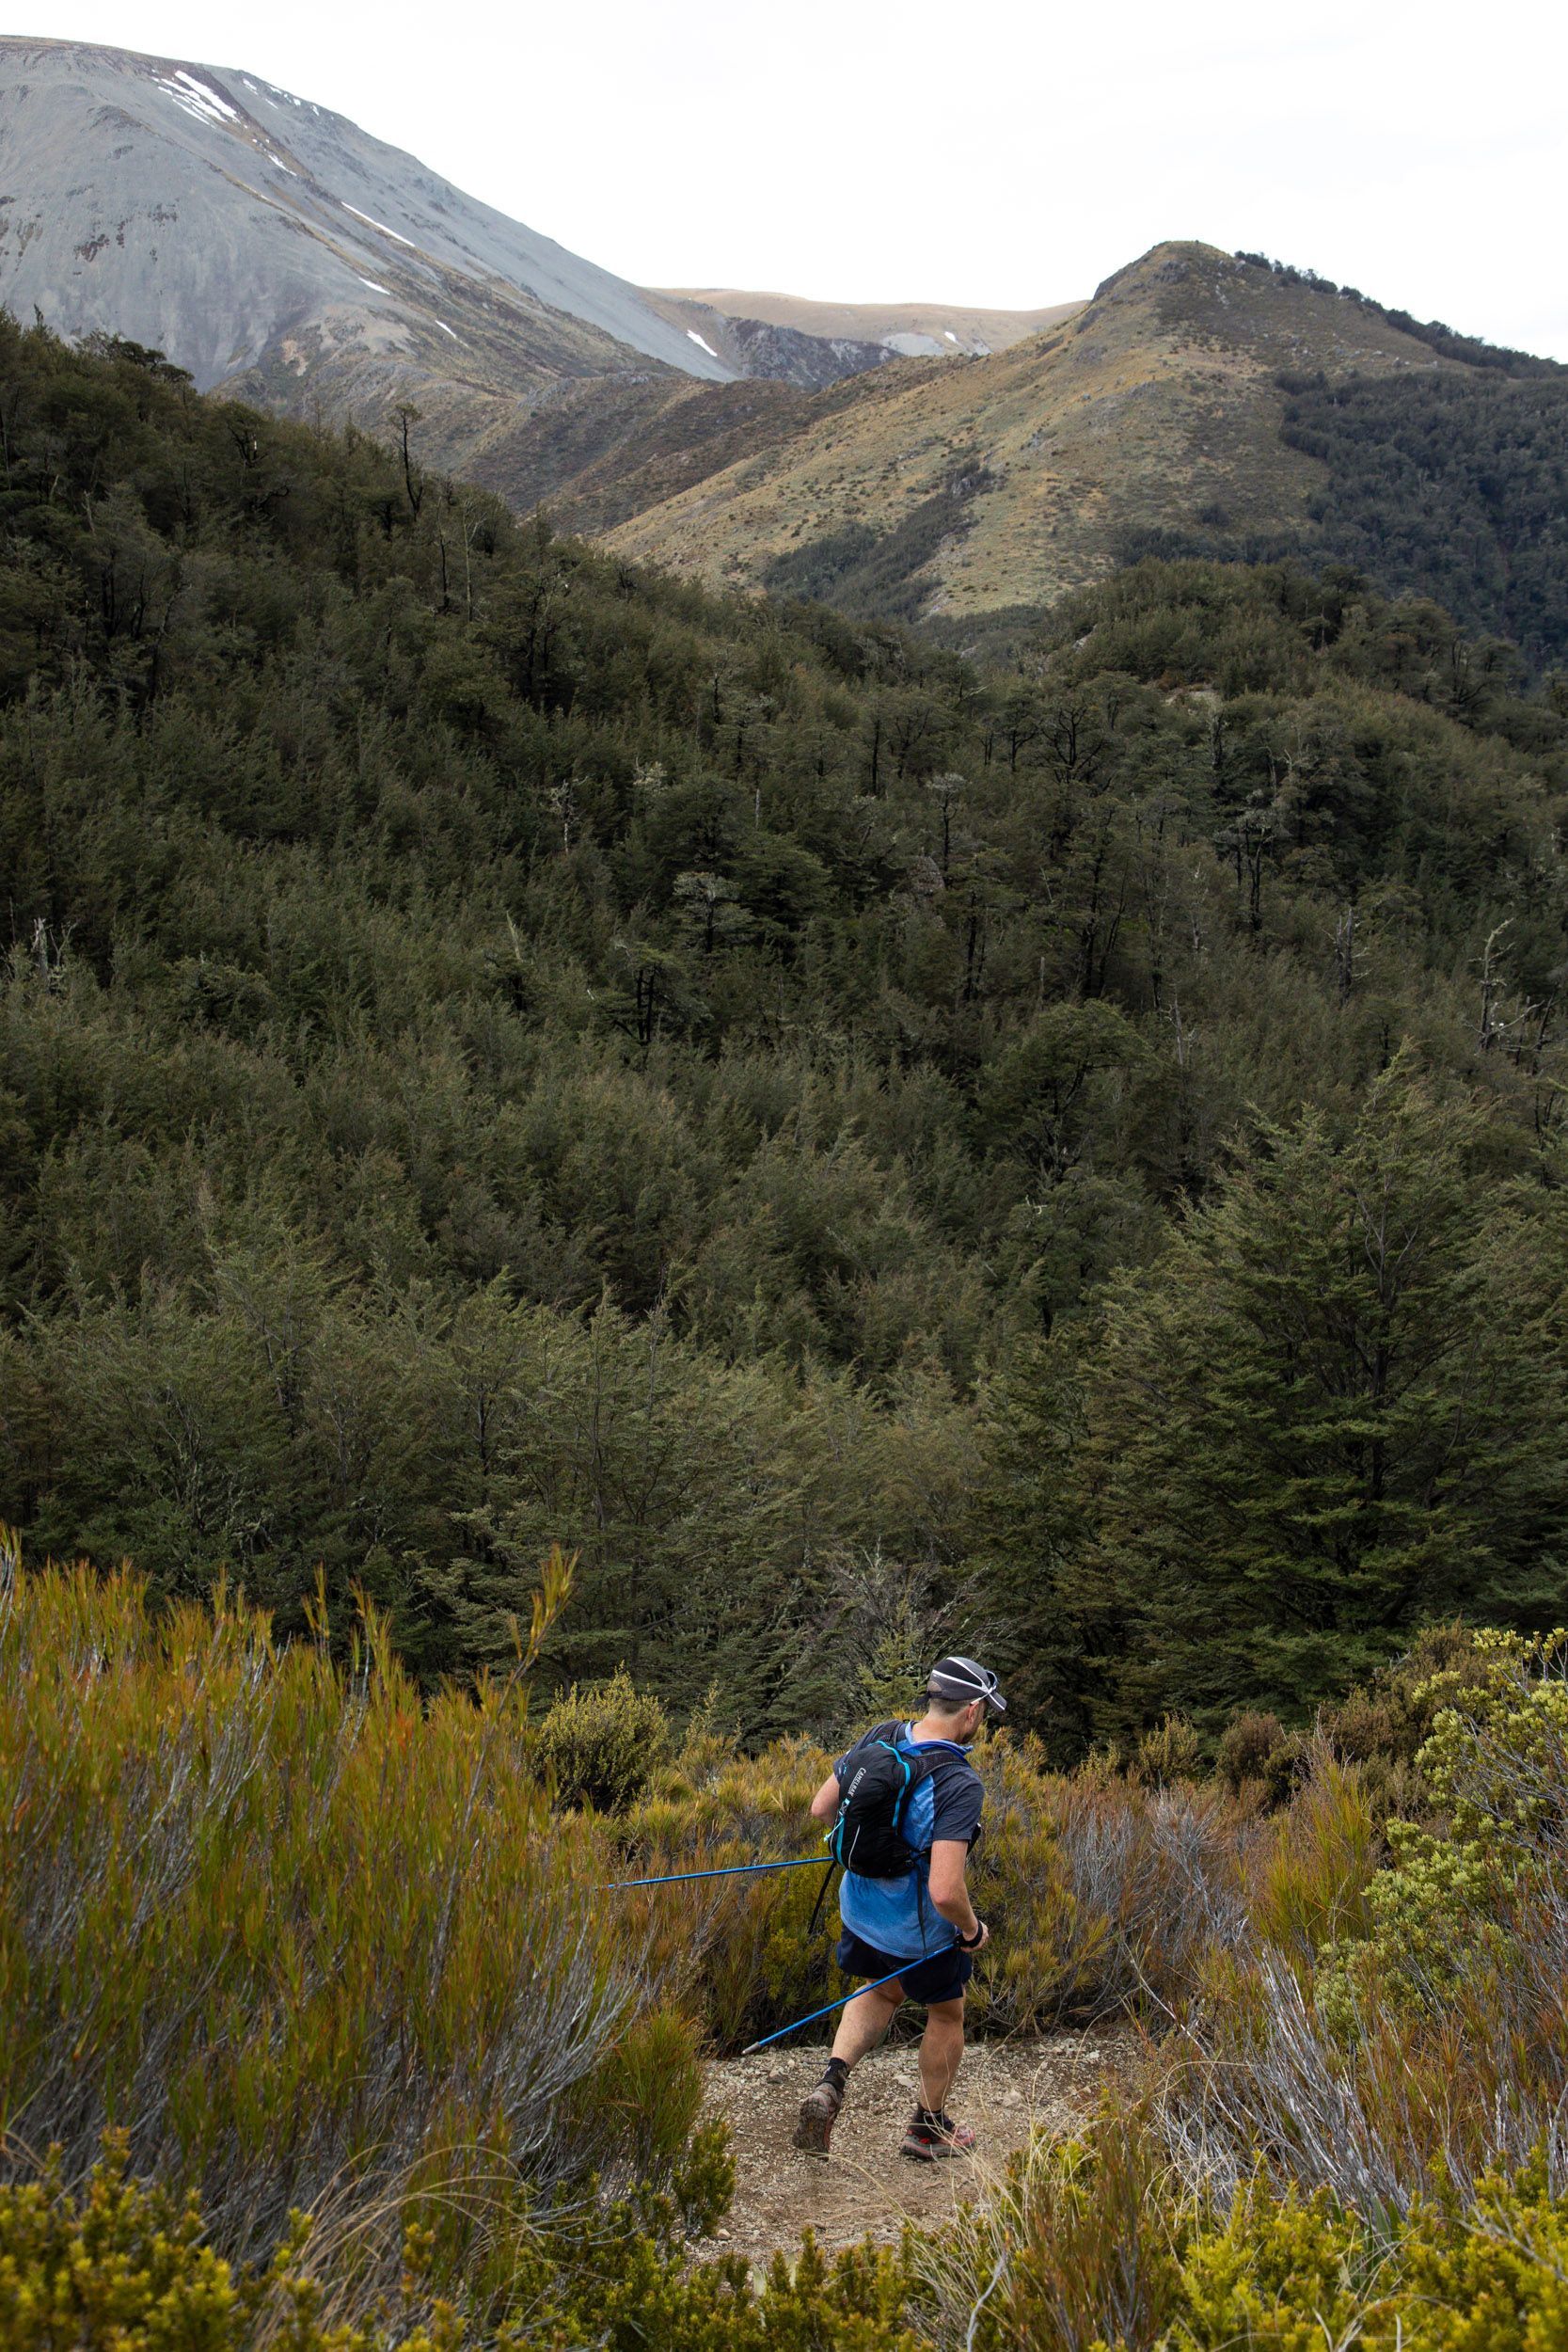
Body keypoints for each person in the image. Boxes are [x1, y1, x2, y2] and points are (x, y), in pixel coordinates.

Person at [794, 1655, 1005, 2162]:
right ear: (971, 1712)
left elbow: (822, 1809)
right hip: (919, 1933)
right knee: (948, 2012)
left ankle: (831, 2083)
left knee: (882, 1989)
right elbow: (945, 1892)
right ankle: (928, 2129)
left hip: (861, 1911)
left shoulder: (883, 1733)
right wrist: (973, 1931)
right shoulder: (959, 1783)